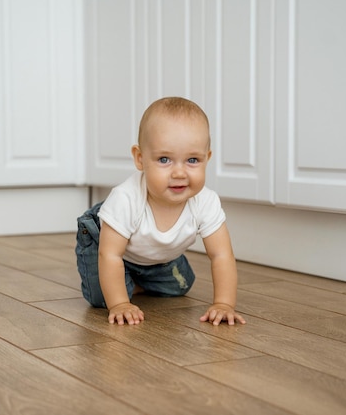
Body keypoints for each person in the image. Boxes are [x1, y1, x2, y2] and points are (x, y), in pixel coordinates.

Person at [76, 96, 246, 326]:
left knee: (181, 285)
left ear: (207, 159)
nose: (179, 173)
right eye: (164, 159)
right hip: (105, 243)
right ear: (140, 159)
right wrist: (120, 304)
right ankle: (125, 281)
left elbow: (221, 255)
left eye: (193, 160)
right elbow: (111, 254)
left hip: (152, 255)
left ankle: (137, 278)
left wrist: (224, 304)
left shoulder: (206, 201)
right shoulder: (125, 199)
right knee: (102, 297)